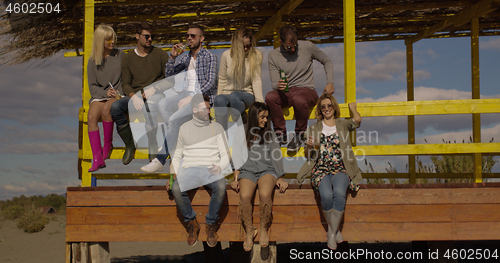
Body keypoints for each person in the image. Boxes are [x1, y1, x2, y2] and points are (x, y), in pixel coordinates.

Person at [141, 24, 218, 173]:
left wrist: (191, 98)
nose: (189, 38)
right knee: (162, 104)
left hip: (202, 99)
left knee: (175, 120)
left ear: (202, 38)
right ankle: (176, 139)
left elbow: (210, 82)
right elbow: (170, 75)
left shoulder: (210, 57)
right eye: (187, 35)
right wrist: (173, 57)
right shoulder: (184, 57)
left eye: (193, 36)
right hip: (185, 94)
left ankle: (160, 159)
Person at [297, 93, 362, 250]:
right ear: (320, 110)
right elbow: (308, 156)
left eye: (329, 106)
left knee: (339, 192)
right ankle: (336, 230)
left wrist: (353, 109)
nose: (326, 109)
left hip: (341, 168)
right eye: (323, 106)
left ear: (334, 107)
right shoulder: (313, 128)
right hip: (321, 169)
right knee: (325, 195)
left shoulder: (342, 124)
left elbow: (357, 121)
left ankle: (331, 234)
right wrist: (309, 146)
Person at [167, 94, 230, 248]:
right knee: (176, 188)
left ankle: (211, 224)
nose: (208, 112)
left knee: (221, 187)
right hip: (190, 168)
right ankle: (192, 223)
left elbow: (226, 154)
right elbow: (177, 155)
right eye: (204, 109)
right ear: (194, 110)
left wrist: (220, 167)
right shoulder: (184, 128)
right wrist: (172, 174)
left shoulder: (217, 127)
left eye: (209, 108)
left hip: (211, 168)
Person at [266, 25, 334, 151]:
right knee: (270, 97)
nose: (293, 49)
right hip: (287, 91)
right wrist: (278, 85)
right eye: (289, 47)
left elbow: (327, 60)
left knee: (299, 99)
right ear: (281, 42)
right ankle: (280, 133)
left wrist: (330, 82)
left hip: (307, 90)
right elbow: (274, 82)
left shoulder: (308, 46)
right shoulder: (273, 55)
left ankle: (300, 134)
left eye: (295, 45)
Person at [230, 102, 288, 251]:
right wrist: (235, 178)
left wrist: (280, 177)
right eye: (262, 117)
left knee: (265, 193)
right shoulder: (240, 132)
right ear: (254, 116)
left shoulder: (269, 133)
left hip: (266, 170)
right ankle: (250, 231)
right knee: (244, 196)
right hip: (247, 171)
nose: (265, 120)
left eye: (266, 117)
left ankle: (263, 229)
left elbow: (276, 155)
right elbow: (237, 156)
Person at [110, 22, 169, 164]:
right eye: (146, 36)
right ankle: (129, 144)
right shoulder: (128, 58)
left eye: (151, 36)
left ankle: (152, 142)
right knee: (116, 107)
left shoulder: (161, 55)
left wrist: (154, 89)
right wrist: (133, 96)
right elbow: (126, 84)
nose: (150, 39)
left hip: (156, 95)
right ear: (137, 36)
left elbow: (169, 80)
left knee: (150, 104)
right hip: (135, 96)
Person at [86, 25, 124, 172]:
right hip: (100, 95)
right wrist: (104, 93)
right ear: (100, 40)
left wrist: (117, 92)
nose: (112, 41)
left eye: (113, 37)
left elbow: (126, 77)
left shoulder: (120, 55)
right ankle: (97, 158)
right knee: (91, 116)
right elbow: (92, 87)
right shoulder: (92, 61)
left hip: (118, 94)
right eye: (108, 39)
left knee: (107, 109)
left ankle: (107, 144)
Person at [214, 27, 263, 131]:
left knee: (234, 96)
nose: (246, 48)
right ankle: (222, 135)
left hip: (247, 94)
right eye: (243, 46)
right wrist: (218, 99)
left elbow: (256, 79)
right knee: (219, 100)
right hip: (227, 93)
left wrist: (260, 103)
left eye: (249, 46)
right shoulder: (226, 55)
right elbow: (222, 79)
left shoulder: (256, 55)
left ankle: (244, 125)